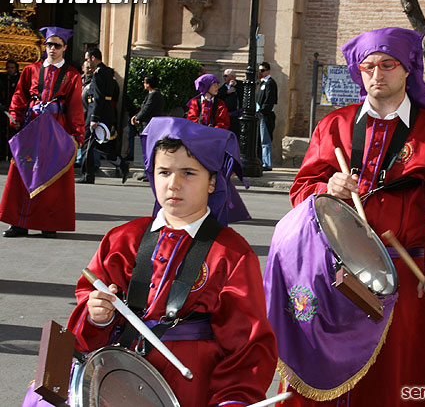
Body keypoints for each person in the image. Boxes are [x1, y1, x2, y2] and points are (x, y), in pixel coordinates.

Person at [267, 27, 425, 407]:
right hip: (332, 276)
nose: (377, 74)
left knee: (392, 383)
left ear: (407, 69)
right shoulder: (335, 125)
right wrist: (327, 189)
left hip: (402, 275)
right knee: (323, 376)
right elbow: (301, 191)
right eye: (368, 66)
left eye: (387, 65)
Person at [62, 117, 277, 406]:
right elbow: (87, 305)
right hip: (118, 378)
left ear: (212, 181)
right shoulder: (123, 238)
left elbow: (248, 344)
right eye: (164, 172)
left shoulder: (232, 253)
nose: (173, 184)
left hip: (194, 387)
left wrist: (233, 399)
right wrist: (97, 315)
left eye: (188, 173)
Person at [0, 26, 84, 238]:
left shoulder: (73, 75)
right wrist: (16, 116)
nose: (52, 49)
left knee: (52, 175)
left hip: (56, 129)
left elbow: (75, 106)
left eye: (56, 45)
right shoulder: (31, 70)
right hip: (32, 126)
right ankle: (18, 223)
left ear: (64, 47)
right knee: (22, 171)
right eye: (48, 44)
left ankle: (48, 224)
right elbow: (19, 95)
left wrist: (77, 135)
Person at [78, 48, 129, 184]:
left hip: (97, 113)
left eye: (88, 59)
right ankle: (121, 164)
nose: (87, 63)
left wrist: (94, 117)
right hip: (104, 112)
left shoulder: (99, 73)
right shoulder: (106, 71)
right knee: (101, 145)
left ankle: (87, 175)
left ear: (94, 58)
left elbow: (98, 96)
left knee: (87, 145)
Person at [130, 74, 164, 163]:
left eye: (144, 82)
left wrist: (136, 118)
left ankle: (147, 171)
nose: (144, 84)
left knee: (148, 148)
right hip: (147, 124)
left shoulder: (154, 94)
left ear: (148, 84)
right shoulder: (152, 94)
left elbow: (146, 109)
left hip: (150, 125)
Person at [257, 62, 277, 171]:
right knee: (260, 139)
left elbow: (270, 99)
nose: (261, 72)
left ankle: (267, 163)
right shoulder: (261, 83)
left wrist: (262, 110)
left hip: (266, 115)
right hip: (260, 114)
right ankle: (262, 160)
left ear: (268, 71)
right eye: (260, 70)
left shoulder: (270, 83)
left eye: (262, 70)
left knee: (266, 139)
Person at [1, 59, 20, 161]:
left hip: (15, 110)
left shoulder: (19, 79)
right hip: (4, 110)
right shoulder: (3, 79)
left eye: (12, 68)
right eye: (8, 68)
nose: (10, 70)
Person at [219, 68, 244, 138]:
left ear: (232, 77)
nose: (224, 77)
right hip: (225, 116)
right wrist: (227, 92)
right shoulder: (223, 88)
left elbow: (243, 93)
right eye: (224, 76)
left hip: (236, 116)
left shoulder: (240, 84)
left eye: (226, 76)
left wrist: (235, 85)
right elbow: (218, 96)